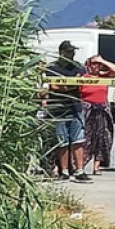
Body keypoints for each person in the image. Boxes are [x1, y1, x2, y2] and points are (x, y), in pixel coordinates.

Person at [44, 41, 89, 181]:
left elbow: (82, 81)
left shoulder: (78, 66)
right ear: (62, 52)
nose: (72, 54)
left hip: (75, 106)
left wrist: (70, 84)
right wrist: (71, 85)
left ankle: (79, 170)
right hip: (58, 107)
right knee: (62, 141)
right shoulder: (52, 67)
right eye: (70, 51)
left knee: (78, 140)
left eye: (73, 51)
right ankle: (64, 171)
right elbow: (55, 87)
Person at [79, 55, 115, 175]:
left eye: (97, 65)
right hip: (87, 111)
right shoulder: (83, 78)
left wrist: (102, 60)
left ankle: (97, 166)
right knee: (85, 139)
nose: (96, 67)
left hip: (102, 110)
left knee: (102, 139)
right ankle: (80, 166)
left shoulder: (103, 77)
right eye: (93, 64)